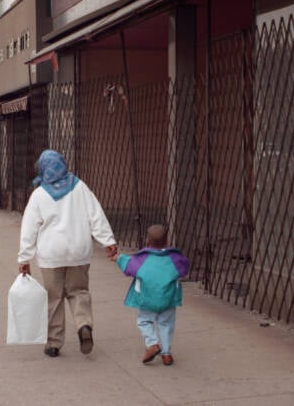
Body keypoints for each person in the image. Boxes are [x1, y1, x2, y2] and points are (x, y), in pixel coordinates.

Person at [17, 150, 117, 358]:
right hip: (79, 251)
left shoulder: (39, 195)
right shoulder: (80, 187)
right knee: (79, 291)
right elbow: (96, 215)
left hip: (51, 254)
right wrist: (108, 240)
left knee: (54, 297)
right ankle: (83, 325)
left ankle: (54, 343)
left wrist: (24, 258)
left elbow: (29, 229)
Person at [112, 224, 189, 366]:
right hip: (168, 299)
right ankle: (166, 354)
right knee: (166, 324)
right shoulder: (175, 258)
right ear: (167, 240)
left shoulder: (142, 259)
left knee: (144, 321)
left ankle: (153, 344)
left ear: (148, 240)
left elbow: (128, 265)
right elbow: (184, 268)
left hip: (146, 298)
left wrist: (118, 257)